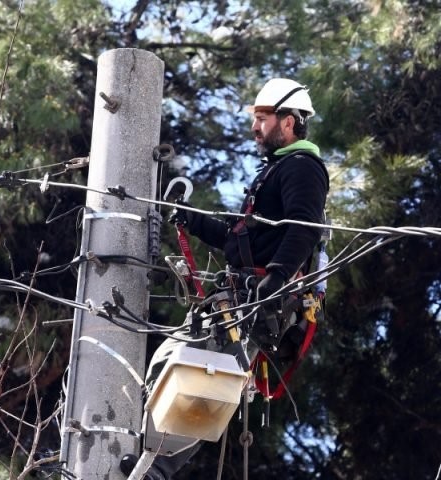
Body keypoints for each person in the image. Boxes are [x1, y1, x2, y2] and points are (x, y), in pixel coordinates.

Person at [122, 78, 329, 479]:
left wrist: (275, 279)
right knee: (183, 368)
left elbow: (304, 227)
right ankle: (144, 456)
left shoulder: (302, 168)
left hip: (256, 303)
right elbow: (239, 242)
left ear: (289, 122)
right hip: (243, 299)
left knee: (193, 372)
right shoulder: (275, 173)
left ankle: (153, 465)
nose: (255, 127)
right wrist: (193, 219)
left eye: (262, 118)